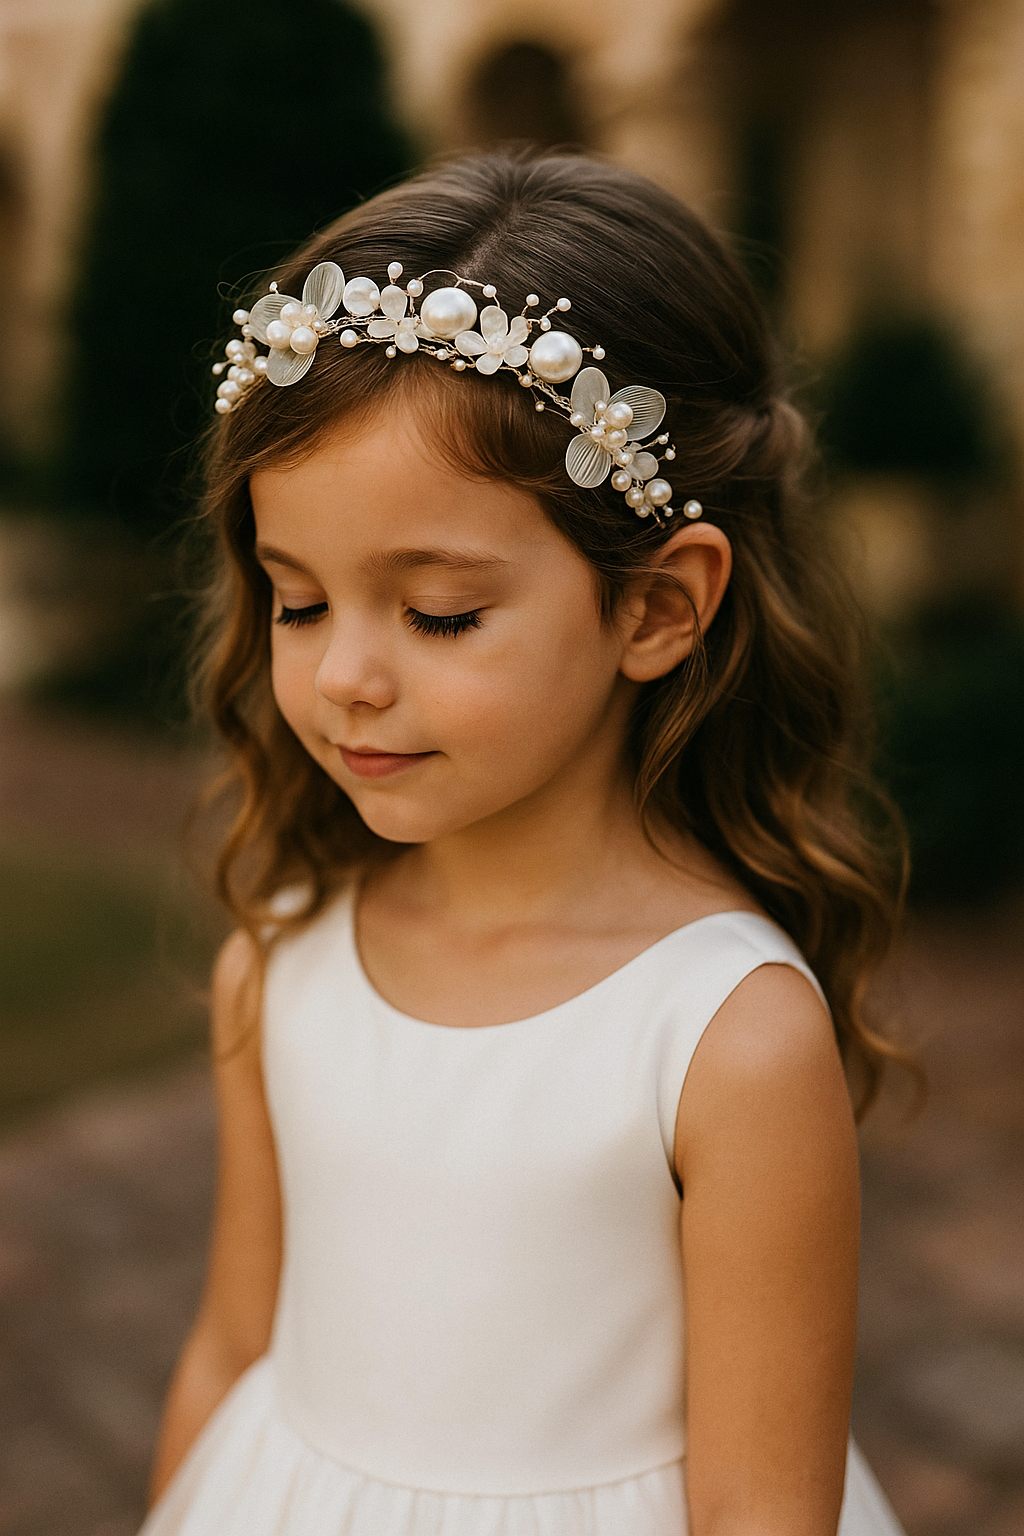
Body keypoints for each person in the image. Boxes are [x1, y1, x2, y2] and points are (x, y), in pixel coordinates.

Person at [141, 149, 911, 1536]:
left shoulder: (726, 1040)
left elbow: (763, 1508)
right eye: (298, 601)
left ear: (656, 609)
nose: (344, 678)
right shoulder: (283, 958)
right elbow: (231, 1344)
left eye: (437, 614)